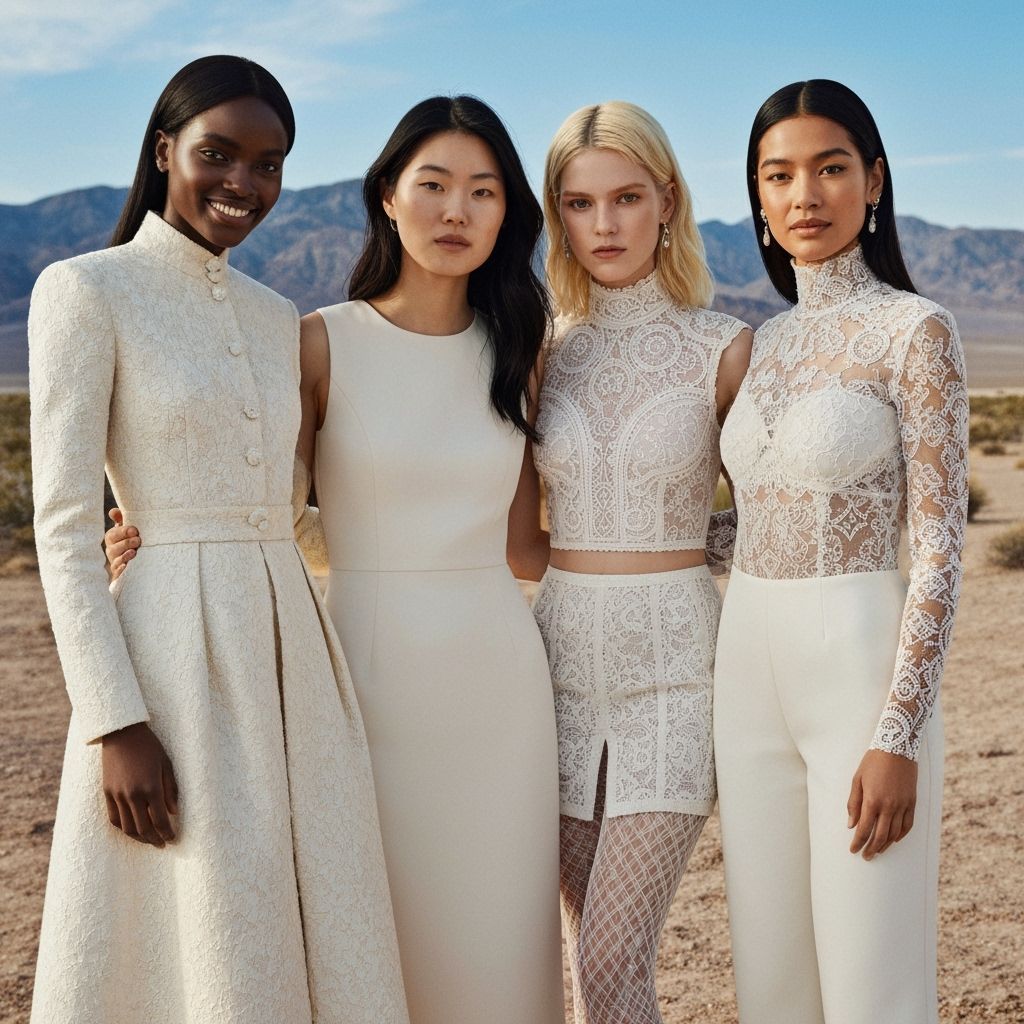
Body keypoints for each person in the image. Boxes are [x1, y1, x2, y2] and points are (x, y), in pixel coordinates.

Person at [108, 95, 564, 1024]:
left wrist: (679, 555)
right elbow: (262, 506)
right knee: (373, 939)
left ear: (506, 214)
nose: (456, 211)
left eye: (484, 191)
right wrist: (158, 541)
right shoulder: (317, 341)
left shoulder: (520, 351)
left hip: (503, 689)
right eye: (433, 185)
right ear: (387, 196)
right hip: (358, 681)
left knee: (502, 940)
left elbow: (526, 546)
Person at [29, 55, 408, 1024]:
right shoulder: (84, 290)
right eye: (218, 153)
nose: (244, 181)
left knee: (309, 908)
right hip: (168, 663)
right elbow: (64, 528)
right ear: (165, 151)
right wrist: (113, 720)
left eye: (268, 164)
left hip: (292, 656)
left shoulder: (279, 318)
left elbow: (286, 503)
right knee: (204, 920)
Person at [713, 79, 967, 1024]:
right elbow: (756, 521)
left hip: (859, 674)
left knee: (872, 984)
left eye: (830, 168)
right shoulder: (761, 344)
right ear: (758, 197)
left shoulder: (916, 330)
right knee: (771, 978)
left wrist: (897, 735)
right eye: (778, 175)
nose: (804, 196)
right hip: (745, 676)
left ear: (875, 180)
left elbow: (937, 550)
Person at [508, 101, 751, 1024]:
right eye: (579, 203)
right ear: (557, 215)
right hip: (558, 672)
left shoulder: (724, 349)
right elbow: (519, 540)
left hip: (678, 676)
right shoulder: (540, 353)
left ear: (668, 201)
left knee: (612, 953)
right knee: (591, 961)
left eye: (626, 198)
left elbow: (765, 516)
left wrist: (683, 556)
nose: (603, 224)